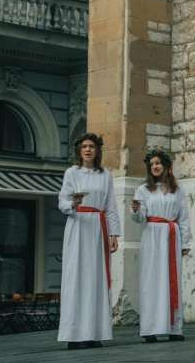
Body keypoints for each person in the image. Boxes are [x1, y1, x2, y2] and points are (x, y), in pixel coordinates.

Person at [57, 133, 121, 349]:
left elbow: (111, 206)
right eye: (84, 146)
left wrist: (114, 234)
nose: (87, 150)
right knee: (77, 278)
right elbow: (62, 202)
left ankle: (94, 332)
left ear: (97, 150)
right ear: (79, 150)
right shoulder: (72, 172)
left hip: (98, 229)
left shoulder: (105, 175)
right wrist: (73, 204)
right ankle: (75, 335)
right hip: (78, 226)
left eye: (91, 146)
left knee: (96, 279)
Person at [131, 149, 191, 343]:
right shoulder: (143, 190)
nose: (155, 166)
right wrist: (136, 210)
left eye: (158, 163)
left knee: (172, 280)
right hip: (152, 236)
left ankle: (174, 328)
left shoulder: (177, 189)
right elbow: (140, 218)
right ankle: (150, 329)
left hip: (172, 236)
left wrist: (186, 242)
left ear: (166, 166)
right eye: (152, 164)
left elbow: (183, 217)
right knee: (152, 281)